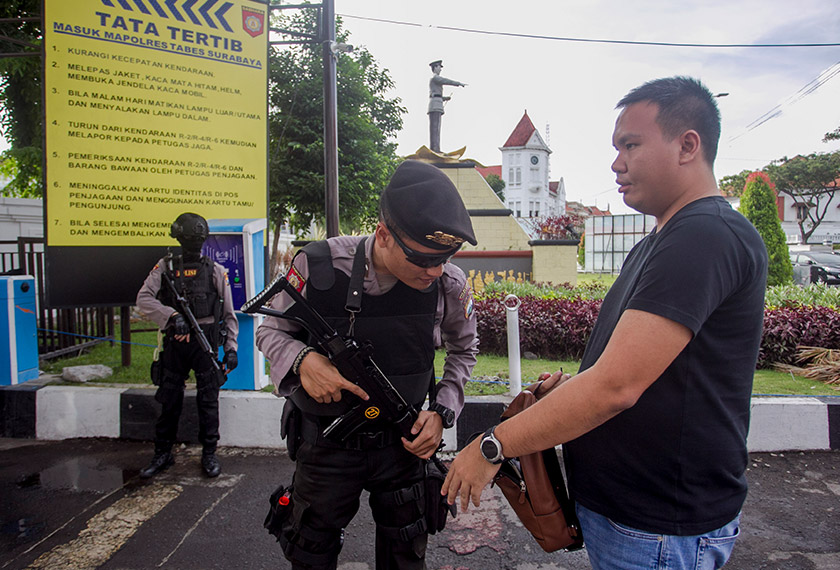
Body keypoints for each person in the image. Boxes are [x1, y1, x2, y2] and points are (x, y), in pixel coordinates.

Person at [442, 76, 768, 570]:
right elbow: (648, 370)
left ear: (687, 145)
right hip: (630, 517)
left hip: (656, 527)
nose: (616, 163)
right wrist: (573, 386)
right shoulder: (661, 239)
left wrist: (491, 447)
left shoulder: (704, 235)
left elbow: (616, 387)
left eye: (630, 145)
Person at [255, 160, 479, 570]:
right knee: (310, 549)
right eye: (423, 258)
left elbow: (464, 352)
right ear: (383, 235)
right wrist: (304, 360)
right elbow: (269, 331)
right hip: (326, 444)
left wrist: (442, 413)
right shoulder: (320, 266)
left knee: (406, 554)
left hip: (405, 443)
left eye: (445, 257)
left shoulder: (449, 283)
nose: (435, 270)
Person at [136, 212, 239, 479]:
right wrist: (171, 316)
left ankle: (209, 453)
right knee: (169, 398)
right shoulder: (165, 268)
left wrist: (231, 348)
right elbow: (144, 299)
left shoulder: (215, 270)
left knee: (208, 400)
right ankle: (163, 453)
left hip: (203, 342)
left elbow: (229, 314)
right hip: (175, 342)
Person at [428, 60, 466, 152]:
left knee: (437, 128)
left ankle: (436, 148)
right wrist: (458, 83)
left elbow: (437, 94)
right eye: (439, 67)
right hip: (435, 105)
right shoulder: (435, 78)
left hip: (438, 103)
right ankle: (434, 148)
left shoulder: (435, 79)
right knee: (434, 128)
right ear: (435, 68)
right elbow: (446, 81)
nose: (440, 69)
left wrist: (444, 98)